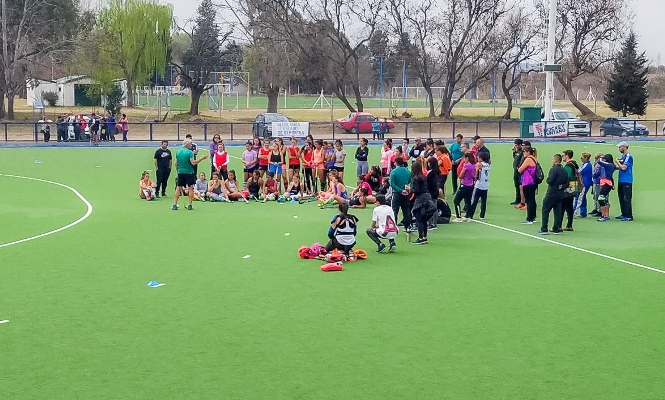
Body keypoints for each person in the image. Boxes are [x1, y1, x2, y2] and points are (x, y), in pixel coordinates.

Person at [172, 138, 208, 210]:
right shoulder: (190, 152)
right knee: (190, 188)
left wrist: (178, 171)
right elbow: (193, 162)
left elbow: (176, 163)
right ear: (188, 144)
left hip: (180, 172)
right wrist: (202, 158)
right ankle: (190, 205)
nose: (191, 145)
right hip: (189, 172)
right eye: (191, 144)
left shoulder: (178, 152)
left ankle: (175, 205)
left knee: (178, 188)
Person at [537, 154, 569, 235]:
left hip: (552, 193)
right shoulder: (564, 170)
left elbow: (550, 181)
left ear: (555, 160)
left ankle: (544, 228)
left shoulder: (553, 170)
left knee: (545, 210)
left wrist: (548, 180)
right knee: (557, 211)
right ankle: (556, 228)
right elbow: (567, 183)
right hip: (560, 193)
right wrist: (561, 187)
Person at [410, 160, 437, 244]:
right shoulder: (423, 176)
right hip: (427, 196)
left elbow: (417, 191)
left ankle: (420, 237)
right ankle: (424, 237)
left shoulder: (415, 178)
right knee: (424, 219)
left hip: (420, 199)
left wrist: (410, 189)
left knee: (419, 218)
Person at [452, 152, 477, 222]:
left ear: (467, 158)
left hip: (464, 184)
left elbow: (460, 175)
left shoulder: (466, 165)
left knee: (456, 201)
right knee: (468, 200)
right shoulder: (474, 165)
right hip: (471, 185)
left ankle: (458, 216)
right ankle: (468, 216)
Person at [466, 152, 490, 220]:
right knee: (483, 200)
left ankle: (471, 214)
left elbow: (476, 174)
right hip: (485, 185)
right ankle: (482, 215)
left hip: (479, 185)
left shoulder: (479, 164)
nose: (477, 158)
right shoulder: (488, 164)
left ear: (481, 158)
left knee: (474, 200)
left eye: (478, 157)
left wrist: (474, 177)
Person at [560, 150, 580, 231]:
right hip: (574, 185)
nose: (563, 157)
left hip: (569, 186)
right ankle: (569, 225)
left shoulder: (568, 166)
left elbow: (566, 176)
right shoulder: (574, 164)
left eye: (563, 155)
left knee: (563, 206)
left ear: (567, 155)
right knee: (569, 206)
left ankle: (559, 225)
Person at [389, 157, 412, 228]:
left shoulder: (393, 172)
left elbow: (392, 184)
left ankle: (394, 226)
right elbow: (410, 182)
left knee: (394, 210)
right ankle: (408, 226)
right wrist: (405, 190)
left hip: (397, 193)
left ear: (396, 162)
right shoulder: (408, 171)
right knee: (406, 210)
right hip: (406, 193)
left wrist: (400, 190)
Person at [518, 146, 538, 224]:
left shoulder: (528, 159)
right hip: (533, 182)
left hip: (527, 182)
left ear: (528, 152)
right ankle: (533, 216)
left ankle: (529, 218)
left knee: (528, 200)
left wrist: (519, 168)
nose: (523, 153)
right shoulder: (534, 159)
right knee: (532, 200)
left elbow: (520, 170)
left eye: (524, 152)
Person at [615, 141, 634, 221]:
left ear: (625, 147)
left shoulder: (628, 156)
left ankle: (629, 216)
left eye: (620, 147)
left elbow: (624, 167)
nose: (619, 149)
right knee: (621, 197)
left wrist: (617, 162)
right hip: (621, 180)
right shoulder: (623, 156)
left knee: (626, 198)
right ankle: (624, 214)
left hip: (627, 180)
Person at [596, 154, 616, 222]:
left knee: (601, 199)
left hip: (606, 183)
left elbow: (599, 161)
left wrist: (600, 157)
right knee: (605, 199)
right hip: (607, 183)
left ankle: (604, 215)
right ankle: (606, 215)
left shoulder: (608, 165)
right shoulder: (611, 165)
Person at [574, 152, 592, 218]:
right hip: (585, 183)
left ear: (586, 158)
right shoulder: (585, 164)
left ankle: (574, 213)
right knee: (583, 197)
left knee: (579, 197)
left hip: (584, 183)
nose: (581, 159)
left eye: (582, 157)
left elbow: (579, 171)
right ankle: (583, 213)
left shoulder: (587, 165)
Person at [426, 157, 440, 230]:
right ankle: (432, 223)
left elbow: (429, 182)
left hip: (432, 191)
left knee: (432, 207)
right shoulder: (435, 171)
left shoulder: (432, 172)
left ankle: (432, 223)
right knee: (433, 207)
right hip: (434, 191)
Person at [590, 152, 605, 217]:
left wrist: (593, 175)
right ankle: (596, 208)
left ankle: (599, 210)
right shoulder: (597, 164)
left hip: (598, 182)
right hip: (595, 181)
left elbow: (595, 173)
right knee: (595, 196)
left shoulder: (599, 165)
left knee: (598, 196)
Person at [511, 139, 524, 206]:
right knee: (516, 185)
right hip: (516, 171)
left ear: (520, 145)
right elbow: (515, 158)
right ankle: (517, 199)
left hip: (519, 171)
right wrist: (514, 151)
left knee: (520, 186)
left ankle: (521, 200)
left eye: (516, 145)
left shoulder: (522, 152)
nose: (515, 146)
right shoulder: (517, 151)